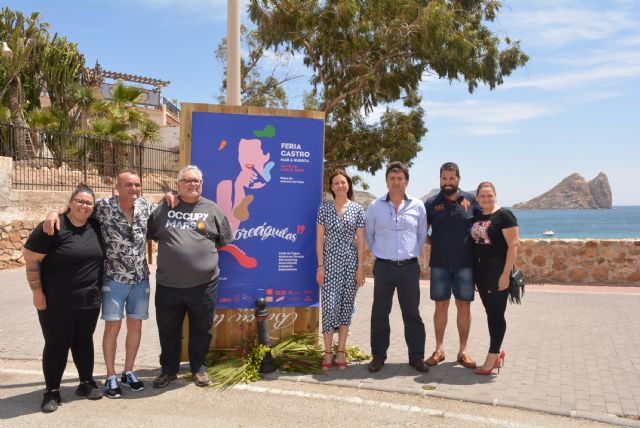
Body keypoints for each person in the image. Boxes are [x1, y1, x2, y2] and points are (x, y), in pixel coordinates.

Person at [44, 171, 176, 398]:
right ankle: (111, 375)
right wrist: (53, 212)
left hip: (140, 278)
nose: (134, 188)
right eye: (129, 185)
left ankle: (128, 371)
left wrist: (170, 194)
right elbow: (77, 208)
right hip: (114, 279)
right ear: (117, 187)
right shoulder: (104, 207)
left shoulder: (146, 206)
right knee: (112, 328)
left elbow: (167, 205)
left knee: (136, 326)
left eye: (137, 185)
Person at [148, 165, 233, 388]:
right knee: (168, 330)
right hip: (168, 285)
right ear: (179, 184)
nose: (192, 184)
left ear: (201, 184)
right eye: (187, 180)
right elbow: (148, 230)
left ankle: (199, 369)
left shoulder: (212, 209)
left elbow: (223, 239)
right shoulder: (164, 207)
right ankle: (168, 370)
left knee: (202, 329)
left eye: (196, 181)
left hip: (204, 285)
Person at [23, 185, 105, 413]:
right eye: (79, 201)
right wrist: (37, 292)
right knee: (57, 344)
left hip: (89, 299)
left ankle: (86, 383)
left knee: (84, 341)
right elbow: (31, 259)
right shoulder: (52, 227)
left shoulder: (96, 225)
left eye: (88, 203)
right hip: (55, 302)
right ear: (70, 202)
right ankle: (52, 391)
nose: (84, 206)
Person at [364, 161, 429, 373]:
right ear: (386, 181)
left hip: (409, 268)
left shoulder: (418, 206)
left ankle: (416, 356)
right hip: (384, 267)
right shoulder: (375, 206)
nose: (396, 182)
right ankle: (378, 356)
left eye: (400, 178)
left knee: (412, 313)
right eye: (392, 178)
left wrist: (410, 253)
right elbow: (369, 236)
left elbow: (421, 235)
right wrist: (382, 252)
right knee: (380, 313)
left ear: (406, 181)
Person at [424, 162, 481, 369]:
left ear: (458, 179)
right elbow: (423, 232)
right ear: (440, 179)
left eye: (451, 178)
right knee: (440, 306)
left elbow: (483, 226)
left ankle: (463, 351)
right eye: (444, 178)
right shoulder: (431, 203)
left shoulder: (471, 200)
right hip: (439, 264)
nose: (447, 182)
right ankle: (439, 349)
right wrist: (436, 244)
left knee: (464, 306)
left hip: (465, 265)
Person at [315, 170, 365, 371]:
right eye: (336, 183)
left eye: (343, 182)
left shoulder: (357, 209)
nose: (340, 186)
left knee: (346, 307)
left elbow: (361, 241)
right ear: (331, 187)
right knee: (329, 308)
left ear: (348, 185)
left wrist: (360, 268)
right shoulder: (324, 208)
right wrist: (320, 267)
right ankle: (328, 352)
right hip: (329, 265)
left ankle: (341, 351)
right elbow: (319, 239)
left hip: (350, 264)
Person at [470, 181, 519, 375]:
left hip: (497, 272)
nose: (486, 199)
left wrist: (506, 274)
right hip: (480, 273)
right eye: (482, 196)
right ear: (477, 198)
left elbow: (514, 246)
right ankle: (497, 352)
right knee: (490, 312)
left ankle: (493, 356)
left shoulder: (504, 215)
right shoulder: (477, 215)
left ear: (495, 195)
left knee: (496, 314)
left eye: (489, 195)